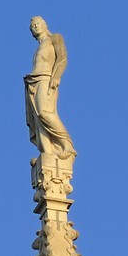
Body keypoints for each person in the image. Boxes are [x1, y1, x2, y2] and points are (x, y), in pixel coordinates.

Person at [24, 16, 74, 157]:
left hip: (47, 79)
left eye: (37, 23)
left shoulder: (54, 38)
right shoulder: (37, 50)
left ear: (45, 25)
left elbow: (62, 58)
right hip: (33, 81)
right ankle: (47, 153)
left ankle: (67, 144)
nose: (35, 27)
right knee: (38, 118)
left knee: (45, 113)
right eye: (32, 26)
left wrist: (56, 77)